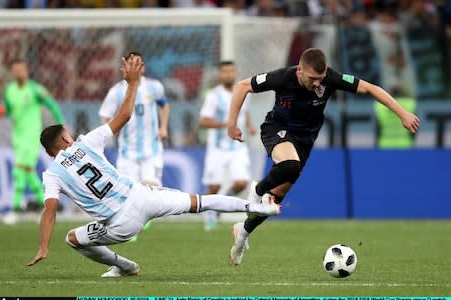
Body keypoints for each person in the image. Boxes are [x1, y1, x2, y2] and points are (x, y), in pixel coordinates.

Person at [27, 55, 280, 277]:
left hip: (119, 225)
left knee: (72, 239)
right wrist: (134, 83)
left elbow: (50, 211)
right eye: (67, 132)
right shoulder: (88, 142)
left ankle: (123, 266)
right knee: (200, 202)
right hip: (143, 196)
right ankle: (254, 206)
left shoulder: (52, 175)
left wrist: (43, 246)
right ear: (63, 138)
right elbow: (124, 116)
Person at [227, 48, 420, 265]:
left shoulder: (330, 79)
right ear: (300, 70)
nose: (317, 84)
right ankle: (257, 190)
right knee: (290, 166)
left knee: (275, 200)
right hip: (276, 129)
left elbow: (369, 87)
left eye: (320, 79)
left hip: (304, 141)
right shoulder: (282, 77)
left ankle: (242, 234)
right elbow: (242, 86)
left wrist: (402, 112)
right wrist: (232, 123)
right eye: (312, 79)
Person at [99, 51, 170, 239]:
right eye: (131, 63)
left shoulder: (154, 87)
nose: (135, 67)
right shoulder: (116, 91)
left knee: (152, 188)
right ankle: (132, 228)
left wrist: (163, 127)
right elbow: (105, 115)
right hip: (127, 150)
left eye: (139, 63)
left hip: (151, 149)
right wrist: (109, 132)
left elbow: (164, 105)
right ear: (125, 67)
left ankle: (141, 221)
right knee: (127, 194)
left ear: (143, 67)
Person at [0, 59, 65, 224]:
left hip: (32, 135)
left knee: (20, 170)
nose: (18, 73)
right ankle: (47, 206)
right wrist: (3, 110)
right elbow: (8, 107)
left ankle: (15, 209)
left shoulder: (35, 89)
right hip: (17, 137)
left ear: (27, 71)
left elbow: (52, 105)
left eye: (21, 69)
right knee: (27, 171)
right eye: (15, 70)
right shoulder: (10, 90)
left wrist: (60, 124)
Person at [199, 61, 256, 231]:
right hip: (217, 148)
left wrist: (250, 125)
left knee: (241, 182)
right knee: (213, 186)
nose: (228, 75)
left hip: (237, 147)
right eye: (224, 72)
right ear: (220, 74)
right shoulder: (213, 96)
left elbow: (244, 111)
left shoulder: (244, 91)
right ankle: (209, 215)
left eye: (231, 71)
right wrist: (226, 125)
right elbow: (203, 120)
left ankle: (220, 203)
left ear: (235, 72)